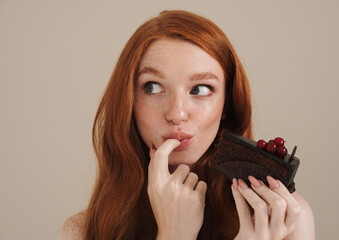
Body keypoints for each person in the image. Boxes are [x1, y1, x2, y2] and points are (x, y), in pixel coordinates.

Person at [60, 10, 315, 240]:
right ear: (128, 101)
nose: (177, 114)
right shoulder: (82, 232)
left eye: (200, 89)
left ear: (226, 104)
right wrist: (174, 234)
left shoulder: (285, 220)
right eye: (152, 87)